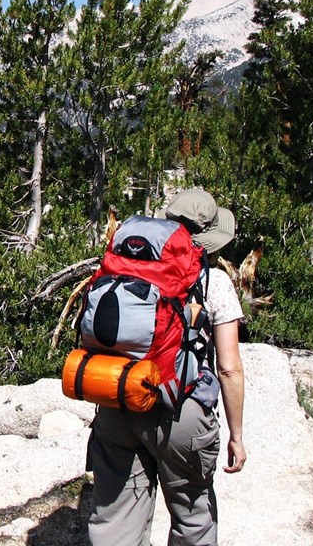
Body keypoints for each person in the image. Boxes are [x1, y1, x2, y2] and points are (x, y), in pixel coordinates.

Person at [87, 188, 246, 546]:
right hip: (180, 410)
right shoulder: (215, 282)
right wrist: (236, 436)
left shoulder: (128, 269)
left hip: (120, 398)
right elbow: (229, 368)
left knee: (115, 518)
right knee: (193, 516)